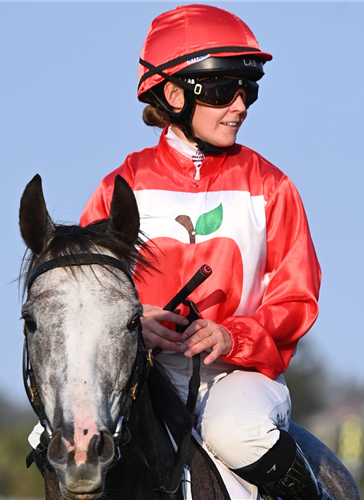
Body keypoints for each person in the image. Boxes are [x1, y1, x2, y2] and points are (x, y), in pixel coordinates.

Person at [80, 5, 329, 499]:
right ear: (173, 94)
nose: (239, 105)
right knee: (62, 439)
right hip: (139, 374)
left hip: (238, 376)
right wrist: (133, 318)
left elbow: (297, 299)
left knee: (234, 431)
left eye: (248, 90)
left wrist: (231, 336)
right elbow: (85, 295)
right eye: (221, 91)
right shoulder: (119, 188)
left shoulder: (272, 186)